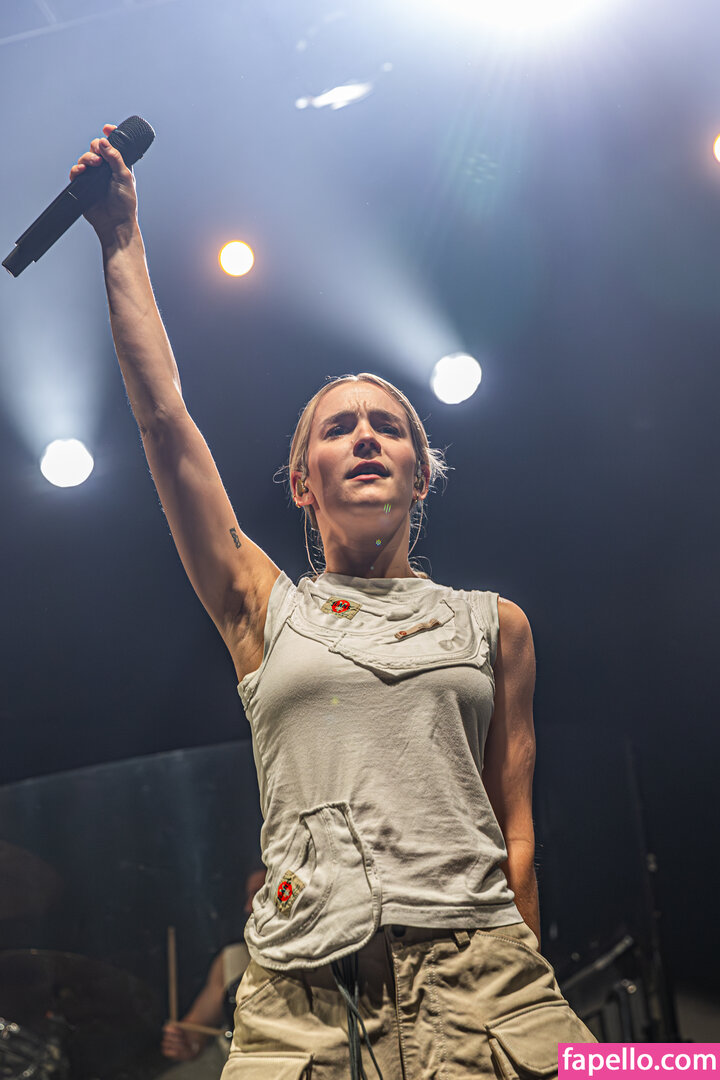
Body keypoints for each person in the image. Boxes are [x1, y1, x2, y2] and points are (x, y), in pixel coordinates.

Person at [71, 126, 595, 1080]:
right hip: (303, 995)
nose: (364, 437)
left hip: (485, 983)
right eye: (339, 427)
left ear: (419, 476)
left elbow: (514, 825)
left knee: (669, 1069)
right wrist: (121, 241)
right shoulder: (261, 607)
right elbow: (165, 422)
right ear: (302, 482)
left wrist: (521, 979)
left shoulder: (495, 624)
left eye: (388, 427)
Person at [159, 868, 266, 1080]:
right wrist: (184, 1041)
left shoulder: (314, 962)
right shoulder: (234, 958)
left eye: (259, 894)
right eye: (248, 896)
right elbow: (196, 1027)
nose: (247, 907)